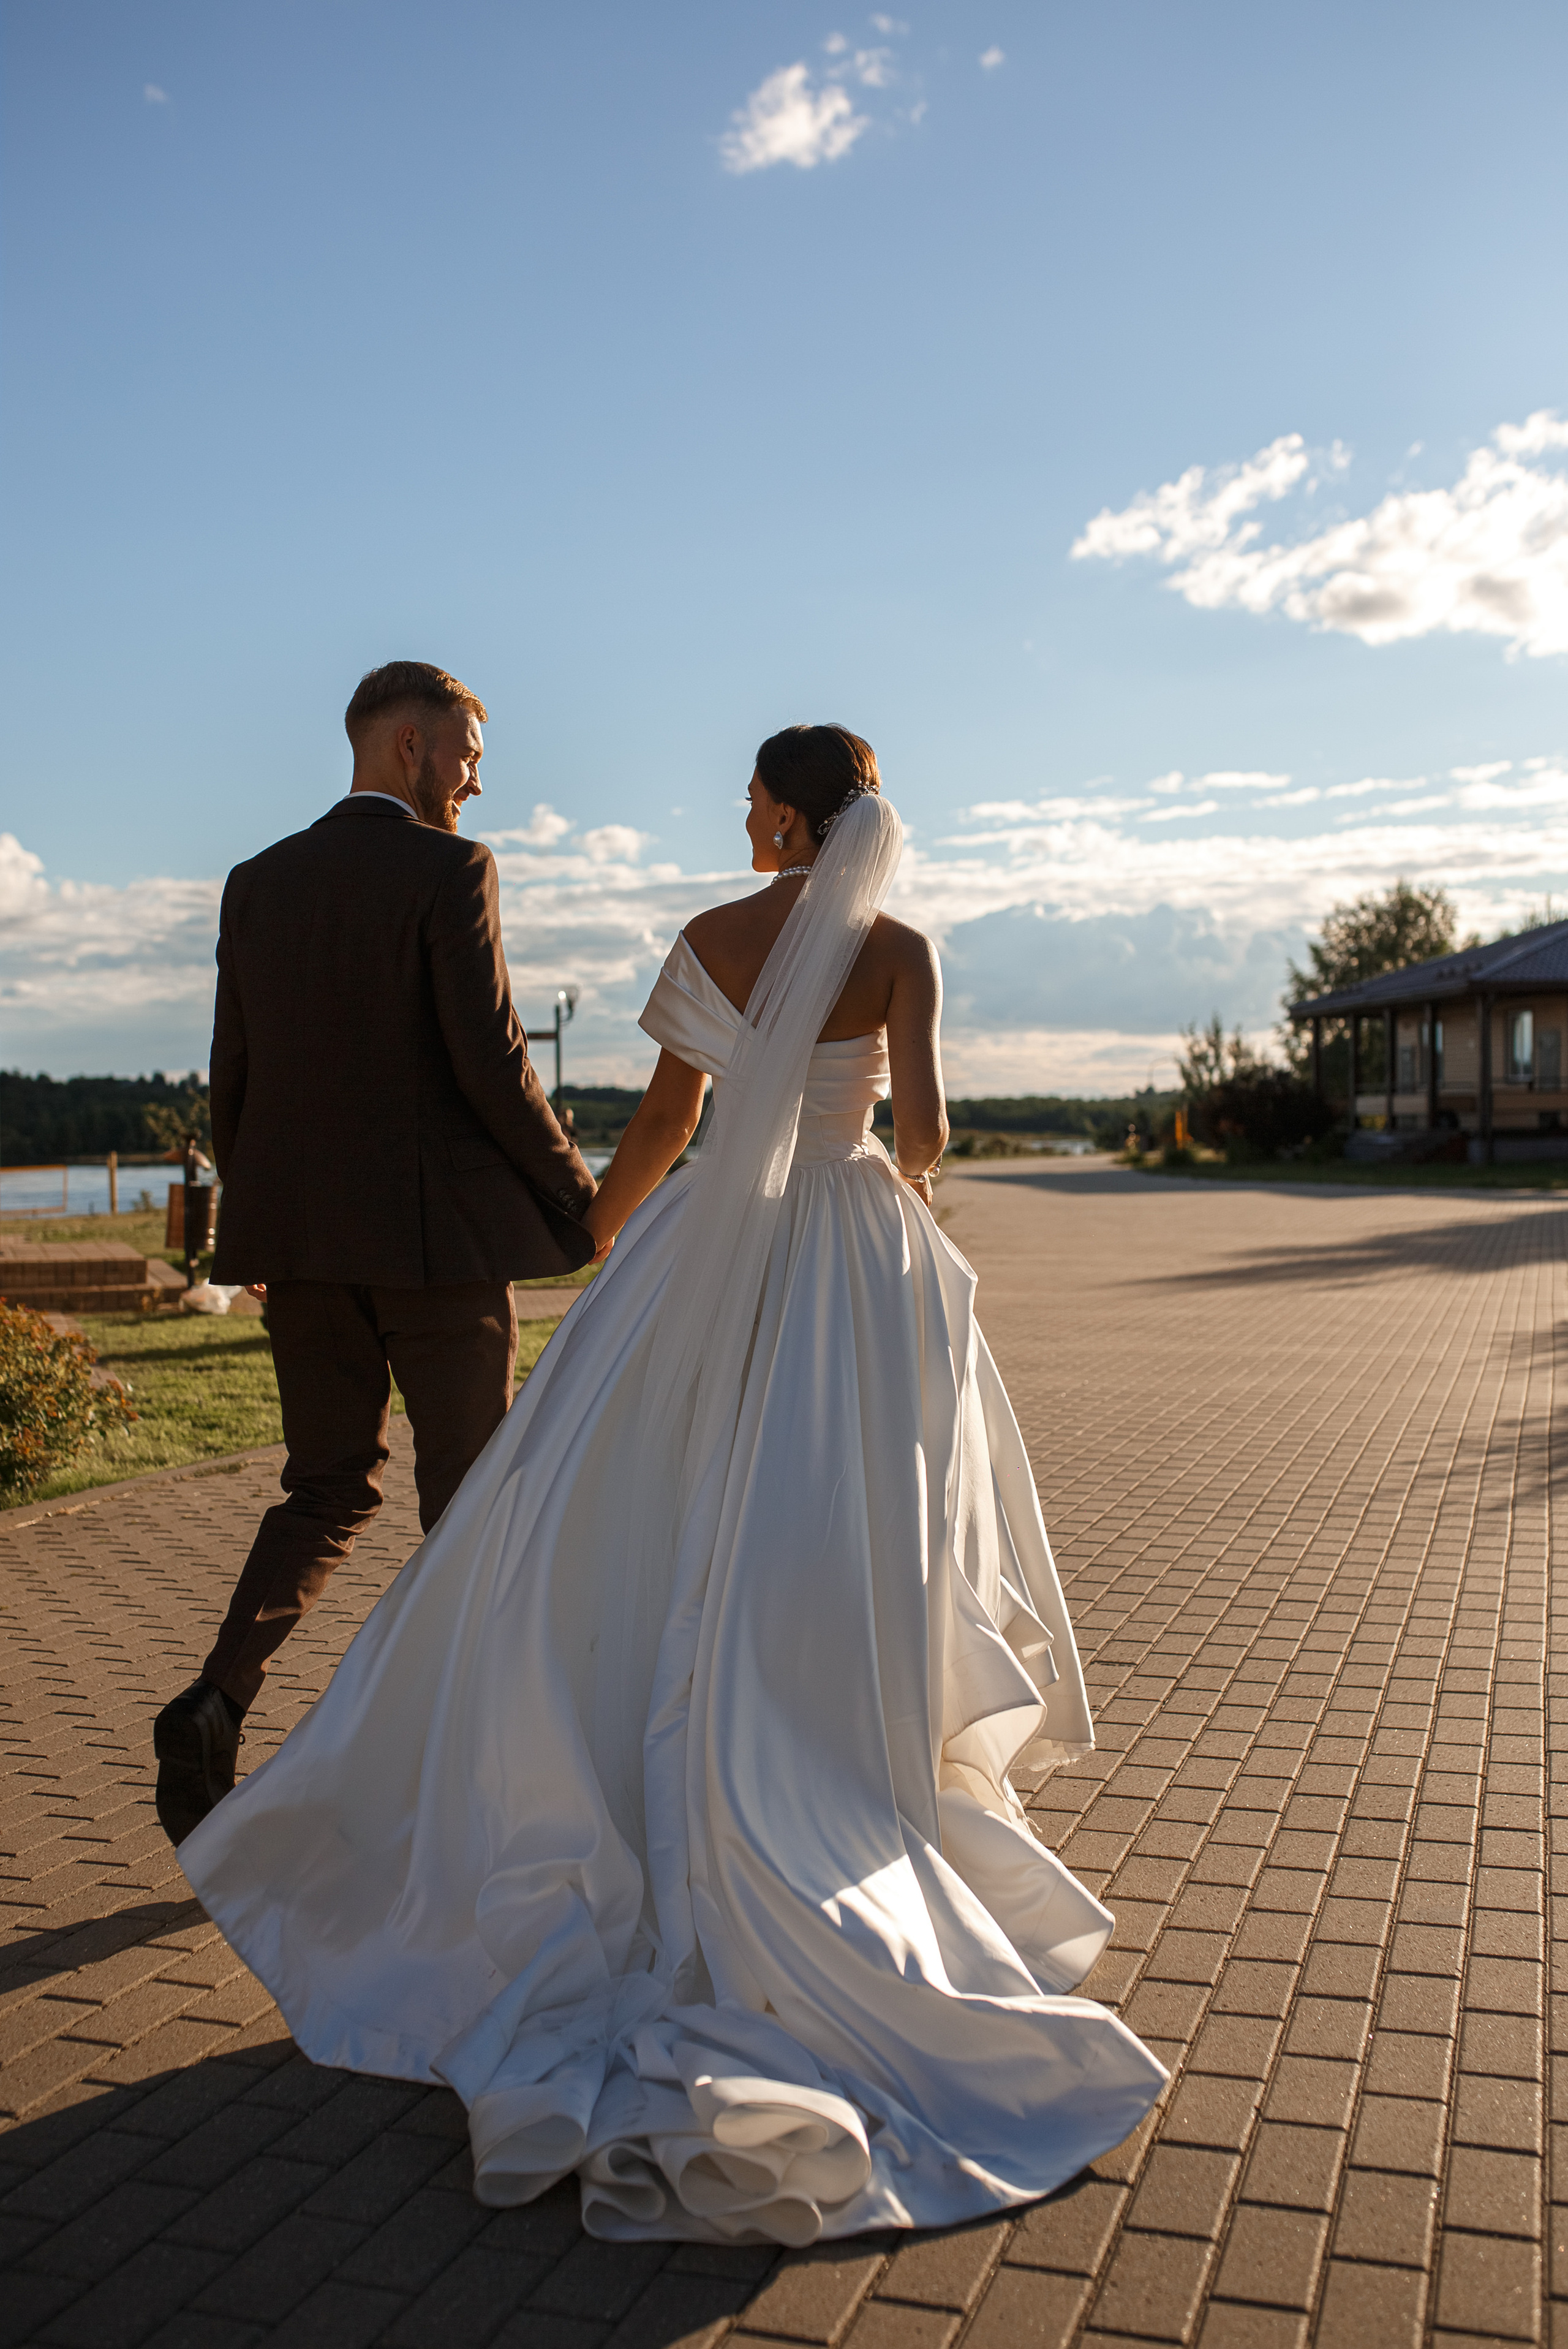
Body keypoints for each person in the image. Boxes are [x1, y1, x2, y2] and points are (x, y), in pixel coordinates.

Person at [178, 724, 1166, 2242]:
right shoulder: (900, 948)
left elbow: (664, 1121)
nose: (746, 818)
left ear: (785, 813)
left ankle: (631, 1758)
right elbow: (923, 1135)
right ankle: (838, 1755)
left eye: (754, 799)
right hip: (850, 1250)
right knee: (839, 1521)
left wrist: (602, 1231)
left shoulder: (709, 933)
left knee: (643, 1496)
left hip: (714, 1239)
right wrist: (884, 1190)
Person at [153, 661, 597, 1845]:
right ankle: (472, 1770)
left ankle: (212, 1704)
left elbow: (231, 1072)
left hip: (299, 1249)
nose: (477, 782)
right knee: (469, 1499)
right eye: (467, 754)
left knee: (326, 1485)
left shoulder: (258, 882)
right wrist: (581, 1202)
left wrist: (250, 1229)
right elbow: (492, 1058)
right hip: (433, 1255)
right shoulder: (449, 869)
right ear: (408, 747)